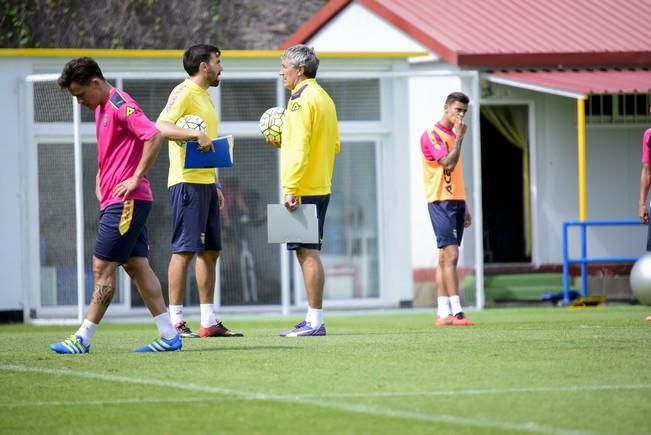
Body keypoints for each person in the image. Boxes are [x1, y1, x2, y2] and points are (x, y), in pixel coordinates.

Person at [50, 57, 181, 353]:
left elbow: (154, 134)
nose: (80, 101)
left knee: (102, 266)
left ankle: (82, 337)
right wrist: (101, 174)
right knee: (136, 266)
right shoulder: (100, 108)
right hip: (117, 200)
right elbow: (116, 149)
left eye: (80, 94)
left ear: (95, 83)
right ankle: (169, 335)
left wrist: (136, 177)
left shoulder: (122, 104)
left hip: (127, 202)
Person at [156, 44, 242, 338]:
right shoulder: (183, 92)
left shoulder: (205, 96)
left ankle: (209, 321)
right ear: (204, 66)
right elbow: (161, 127)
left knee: (211, 252)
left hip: (205, 185)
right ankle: (175, 321)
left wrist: (215, 182)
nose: (221, 67)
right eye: (218, 61)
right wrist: (194, 133)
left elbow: (208, 144)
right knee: (184, 250)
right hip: (185, 183)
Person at [271, 45, 340, 336]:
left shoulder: (299, 101)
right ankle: (313, 319)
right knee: (308, 252)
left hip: (303, 187)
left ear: (299, 70)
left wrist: (291, 187)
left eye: (284, 65)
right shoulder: (324, 97)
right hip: (320, 183)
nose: (281, 71)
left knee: (307, 253)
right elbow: (334, 144)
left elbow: (299, 148)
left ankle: (314, 322)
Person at [420, 91, 474, 327]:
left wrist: (466, 205)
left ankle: (442, 313)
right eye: (457, 110)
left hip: (456, 201)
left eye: (464, 111)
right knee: (452, 255)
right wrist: (460, 138)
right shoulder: (432, 134)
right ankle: (457, 311)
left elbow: (457, 173)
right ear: (446, 108)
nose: (461, 115)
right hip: (440, 201)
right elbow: (447, 163)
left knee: (444, 257)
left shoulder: (453, 135)